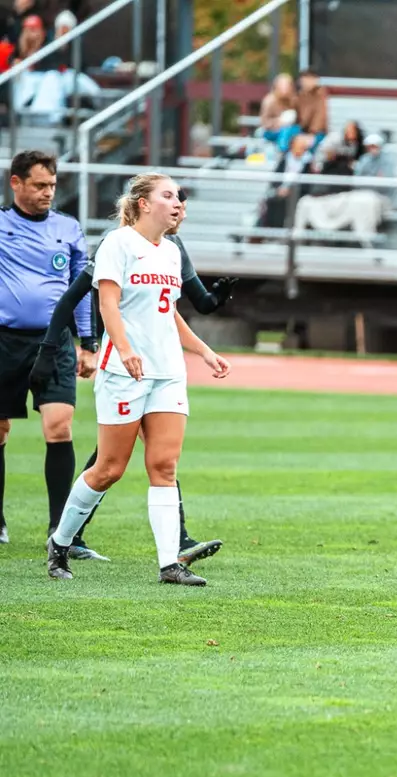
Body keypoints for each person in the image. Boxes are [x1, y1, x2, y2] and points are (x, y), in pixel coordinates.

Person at [45, 174, 233, 585]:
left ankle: (170, 565)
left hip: (168, 373)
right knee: (109, 468)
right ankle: (60, 542)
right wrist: (125, 348)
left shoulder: (171, 251)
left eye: (178, 196)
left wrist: (203, 351)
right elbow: (107, 303)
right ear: (144, 203)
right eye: (168, 195)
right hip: (123, 372)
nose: (177, 202)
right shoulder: (119, 243)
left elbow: (169, 313)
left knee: (164, 465)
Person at [0, 151, 89, 549]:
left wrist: (89, 342)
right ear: (15, 183)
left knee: (60, 425)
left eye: (52, 185)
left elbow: (82, 289)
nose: (48, 192)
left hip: (53, 342)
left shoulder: (68, 228)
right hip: (4, 340)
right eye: (39, 185)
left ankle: (59, 530)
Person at [295, 68, 328, 134]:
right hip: (302, 130)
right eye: (303, 80)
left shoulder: (320, 94)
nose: (305, 82)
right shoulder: (300, 95)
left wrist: (312, 133)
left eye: (309, 79)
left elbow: (320, 118)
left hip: (317, 132)